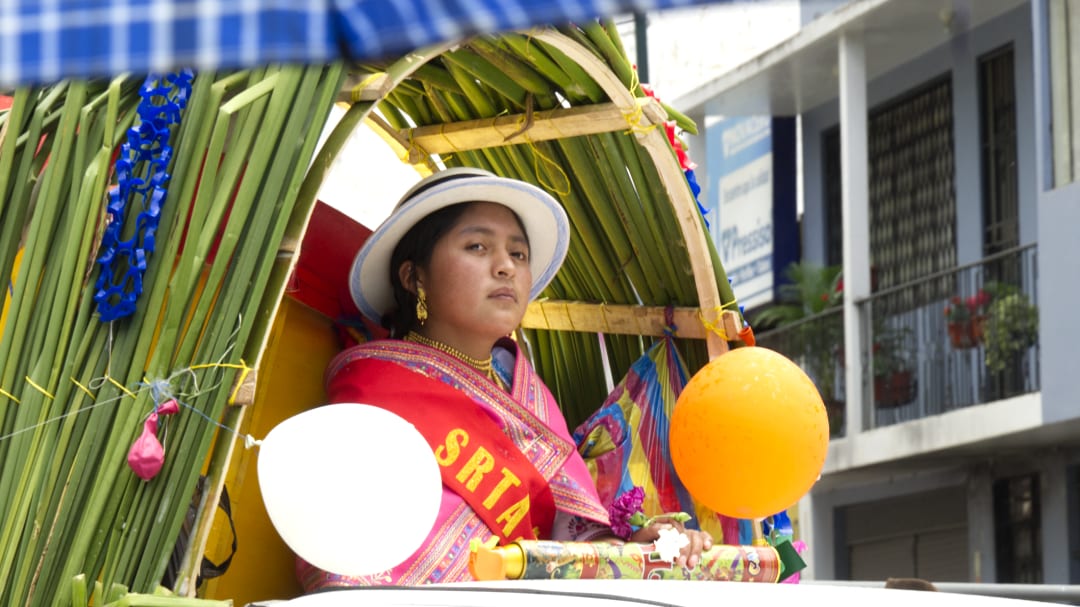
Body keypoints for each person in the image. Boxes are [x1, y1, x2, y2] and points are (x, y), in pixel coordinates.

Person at [296, 168, 711, 590]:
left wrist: (633, 547)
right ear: (413, 277)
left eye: (518, 255)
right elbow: (349, 552)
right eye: (477, 246)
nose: (505, 268)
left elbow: (571, 544)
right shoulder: (373, 387)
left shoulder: (530, 395)